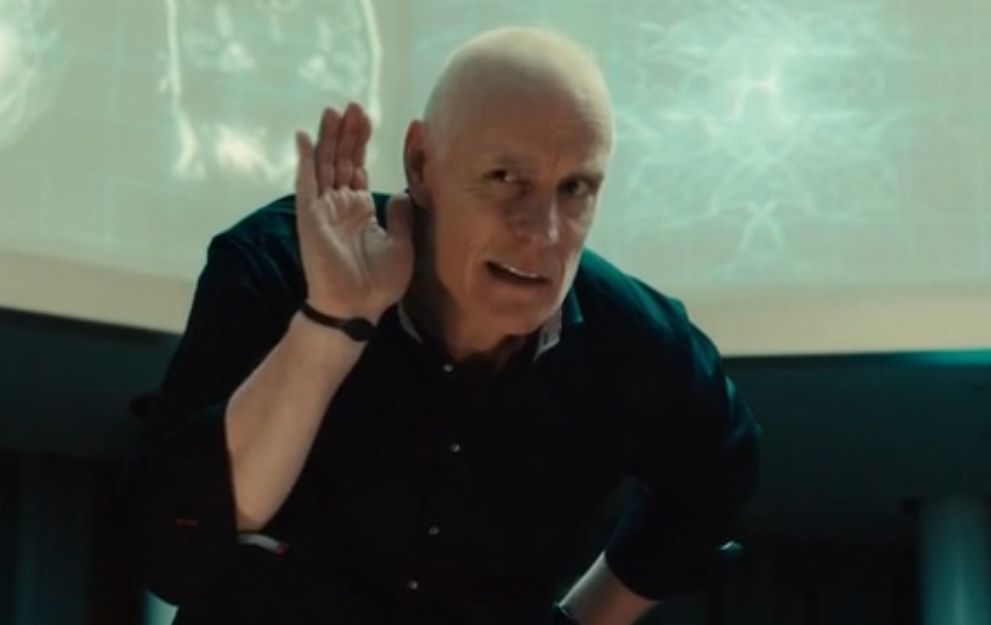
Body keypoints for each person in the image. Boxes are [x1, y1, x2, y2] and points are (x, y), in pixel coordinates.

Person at [128, 27, 760, 625]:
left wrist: (578, 620)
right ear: (421, 163)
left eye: (574, 189)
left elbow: (717, 475)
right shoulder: (274, 267)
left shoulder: (635, 343)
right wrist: (332, 323)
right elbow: (173, 558)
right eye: (505, 179)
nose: (542, 231)